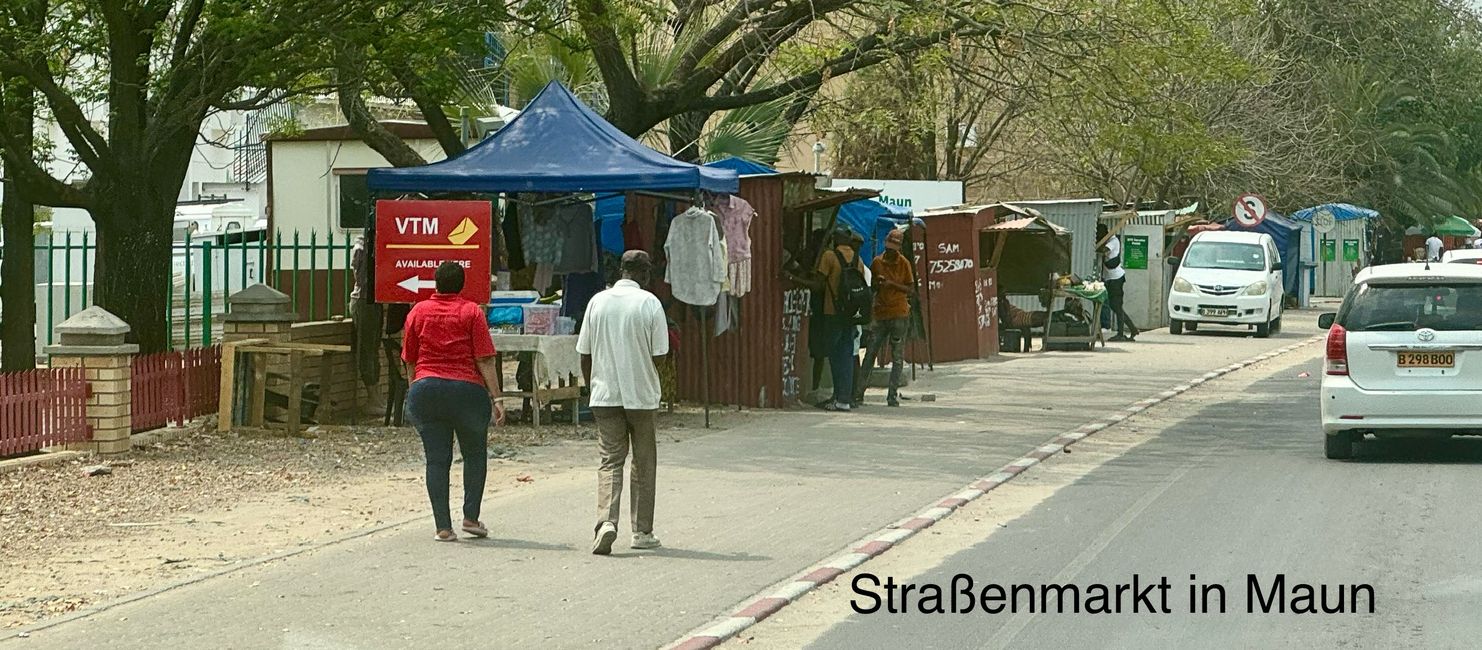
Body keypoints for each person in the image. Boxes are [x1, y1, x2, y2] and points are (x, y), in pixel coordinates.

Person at [401, 261, 505, 542]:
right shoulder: (471, 311)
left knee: (436, 460)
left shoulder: (418, 311)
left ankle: (443, 527)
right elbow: (484, 358)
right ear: (461, 285)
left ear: (436, 283)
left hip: (426, 390)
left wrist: (415, 390)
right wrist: (497, 398)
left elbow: (409, 358)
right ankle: (471, 517)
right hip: (466, 393)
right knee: (474, 454)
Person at [579, 250, 670, 555]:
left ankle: (606, 521)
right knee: (643, 461)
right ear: (645, 274)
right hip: (641, 396)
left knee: (610, 460)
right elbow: (660, 354)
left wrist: (593, 385)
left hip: (604, 395)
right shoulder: (650, 303)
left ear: (621, 271)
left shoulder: (597, 302)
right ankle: (642, 531)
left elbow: (585, 353)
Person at [855, 229, 915, 407]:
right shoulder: (877, 262)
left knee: (897, 357)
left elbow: (910, 290)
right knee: (870, 354)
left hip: (898, 313)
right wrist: (878, 283)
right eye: (889, 247)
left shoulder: (904, 263)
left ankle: (892, 395)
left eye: (893, 248)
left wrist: (891, 284)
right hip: (880, 314)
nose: (890, 251)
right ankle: (859, 393)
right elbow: (872, 287)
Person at [811, 228, 867, 411]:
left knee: (835, 356)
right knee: (848, 355)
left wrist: (793, 278)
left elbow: (818, 285)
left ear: (836, 238)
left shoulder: (829, 256)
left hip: (832, 313)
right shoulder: (856, 258)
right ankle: (845, 397)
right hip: (850, 314)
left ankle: (839, 398)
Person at [1096, 223, 1139, 342]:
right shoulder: (1108, 240)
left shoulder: (1113, 241)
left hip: (1116, 278)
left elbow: (1102, 250)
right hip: (1110, 278)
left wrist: (1098, 243)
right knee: (1115, 306)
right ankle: (1132, 329)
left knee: (1116, 306)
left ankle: (1121, 333)